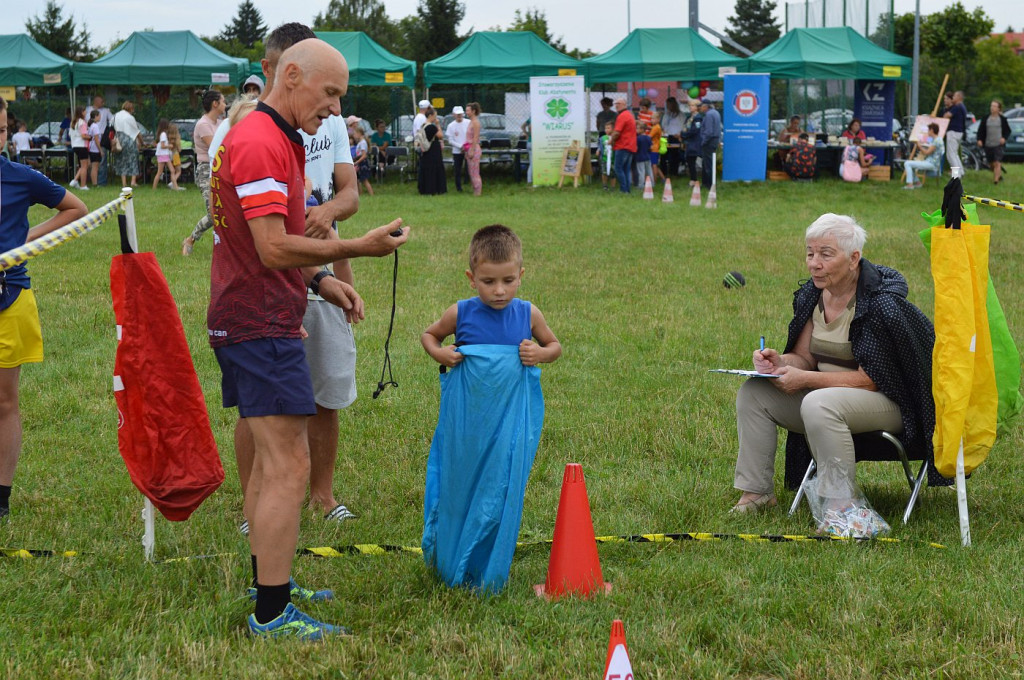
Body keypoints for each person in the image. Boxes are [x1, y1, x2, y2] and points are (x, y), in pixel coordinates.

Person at [209, 38, 409, 640]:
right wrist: (356, 249)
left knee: (275, 467)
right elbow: (272, 247)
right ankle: (271, 613)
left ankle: (269, 582)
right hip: (259, 320)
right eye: (330, 94)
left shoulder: (274, 135)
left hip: (254, 312)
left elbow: (261, 240)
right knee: (288, 465)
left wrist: (322, 281)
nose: (335, 109)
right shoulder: (264, 140)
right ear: (291, 76)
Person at [730, 214, 935, 535]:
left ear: (854, 258)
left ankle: (842, 509)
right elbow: (802, 358)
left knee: (819, 403)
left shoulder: (880, 304)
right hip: (828, 400)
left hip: (889, 404)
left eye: (826, 254)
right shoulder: (812, 296)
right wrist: (778, 363)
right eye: (810, 253)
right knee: (755, 392)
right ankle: (756, 493)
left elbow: (871, 379)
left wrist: (806, 381)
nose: (814, 263)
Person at [420, 224, 561, 591]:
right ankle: (450, 561)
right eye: (488, 281)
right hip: (468, 423)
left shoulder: (528, 314)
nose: (499, 291)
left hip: (507, 426)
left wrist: (539, 354)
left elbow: (555, 347)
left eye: (508, 280)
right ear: (471, 278)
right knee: (459, 484)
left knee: (499, 487)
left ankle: (488, 563)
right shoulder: (461, 313)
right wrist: (440, 352)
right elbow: (429, 334)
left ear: (521, 275)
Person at [0, 96, 89, 522]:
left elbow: (77, 208)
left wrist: (25, 240)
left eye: (1, 130)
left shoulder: (19, 177)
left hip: (10, 299)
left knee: (4, 401)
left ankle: (1, 498)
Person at [180, 90, 226, 255]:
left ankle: (225, 247)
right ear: (215, 104)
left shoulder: (221, 123)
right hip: (207, 170)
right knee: (214, 214)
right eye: (223, 101)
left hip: (222, 168)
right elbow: (218, 147)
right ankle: (191, 239)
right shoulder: (203, 124)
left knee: (226, 210)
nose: (225, 104)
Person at [976, 99, 1011, 185]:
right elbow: (980, 131)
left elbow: (1008, 131)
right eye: (991, 106)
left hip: (998, 144)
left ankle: (996, 181)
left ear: (999, 109)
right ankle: (998, 175)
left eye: (994, 106)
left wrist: (1004, 138)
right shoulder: (985, 118)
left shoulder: (1002, 119)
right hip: (988, 144)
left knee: (997, 162)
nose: (992, 108)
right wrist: (979, 139)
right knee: (991, 164)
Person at [903, 122, 944, 189]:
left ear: (932, 130)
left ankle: (910, 185)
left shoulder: (937, 141)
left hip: (931, 163)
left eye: (928, 130)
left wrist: (919, 145)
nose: (927, 132)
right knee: (911, 164)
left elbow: (926, 152)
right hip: (933, 162)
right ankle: (917, 183)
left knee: (907, 163)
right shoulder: (938, 139)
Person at [84, 95, 113, 186]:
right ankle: (96, 182)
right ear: (96, 101)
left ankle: (99, 181)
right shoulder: (88, 111)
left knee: (98, 163)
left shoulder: (106, 111)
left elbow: (112, 119)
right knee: (95, 164)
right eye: (101, 101)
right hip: (95, 141)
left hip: (100, 139)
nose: (103, 103)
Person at [610, 98, 637, 193]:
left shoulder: (622, 116)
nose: (616, 105)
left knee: (618, 168)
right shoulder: (629, 115)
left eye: (618, 103)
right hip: (631, 146)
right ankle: (627, 190)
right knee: (626, 169)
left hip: (623, 146)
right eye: (615, 104)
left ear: (624, 104)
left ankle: (624, 189)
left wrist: (611, 140)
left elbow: (617, 132)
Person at [112, 101, 142, 187]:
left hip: (119, 139)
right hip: (129, 140)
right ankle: (133, 181)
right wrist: (142, 142)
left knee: (122, 160)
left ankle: (124, 183)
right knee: (133, 159)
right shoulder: (130, 117)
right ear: (131, 108)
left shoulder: (116, 115)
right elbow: (136, 132)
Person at [418, 109, 447, 196]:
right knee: (435, 169)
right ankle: (436, 188)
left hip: (426, 150)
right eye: (435, 116)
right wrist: (438, 125)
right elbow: (441, 136)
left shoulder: (423, 126)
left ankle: (425, 188)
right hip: (433, 150)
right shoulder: (432, 127)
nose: (436, 118)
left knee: (427, 170)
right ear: (430, 115)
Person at [943, 90, 967, 176]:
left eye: (955, 96)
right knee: (955, 153)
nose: (953, 98)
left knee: (950, 155)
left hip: (953, 131)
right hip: (959, 132)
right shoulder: (962, 107)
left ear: (959, 97)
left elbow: (947, 116)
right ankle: (961, 171)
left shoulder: (957, 107)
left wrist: (946, 111)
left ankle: (956, 175)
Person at [445, 107, 469, 191]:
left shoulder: (468, 123)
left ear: (463, 114)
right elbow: (450, 140)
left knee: (469, 168)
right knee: (457, 170)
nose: (459, 115)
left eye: (460, 114)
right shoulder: (451, 126)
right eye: (457, 114)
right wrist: (460, 146)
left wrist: (466, 146)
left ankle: (469, 183)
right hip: (457, 151)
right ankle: (458, 187)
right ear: (453, 115)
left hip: (468, 149)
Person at [660, 97, 685, 177]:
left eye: (670, 104)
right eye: (667, 104)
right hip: (666, 136)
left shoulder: (681, 115)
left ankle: (673, 172)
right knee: (663, 154)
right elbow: (663, 125)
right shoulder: (666, 114)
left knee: (675, 155)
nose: (668, 106)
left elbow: (682, 125)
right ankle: (663, 172)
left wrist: (679, 134)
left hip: (675, 136)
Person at [699, 98, 721, 189]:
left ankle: (709, 184)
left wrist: (703, 142)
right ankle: (706, 182)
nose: (700, 108)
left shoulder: (708, 115)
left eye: (701, 106)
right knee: (708, 162)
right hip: (714, 141)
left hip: (709, 142)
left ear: (705, 107)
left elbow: (709, 131)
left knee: (707, 163)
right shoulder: (716, 113)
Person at [680, 99, 702, 187]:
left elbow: (695, 130)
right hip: (688, 141)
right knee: (689, 161)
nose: (690, 107)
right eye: (690, 106)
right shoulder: (689, 117)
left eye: (693, 106)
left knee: (691, 160)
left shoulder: (698, 118)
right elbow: (685, 126)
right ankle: (693, 178)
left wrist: (684, 134)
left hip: (694, 142)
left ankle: (694, 180)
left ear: (697, 108)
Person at [69, 107, 90, 191]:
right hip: (82, 145)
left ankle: (74, 180)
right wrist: (90, 137)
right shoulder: (82, 122)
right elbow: (83, 135)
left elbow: (71, 135)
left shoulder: (73, 122)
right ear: (82, 112)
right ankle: (83, 185)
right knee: (85, 166)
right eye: (85, 111)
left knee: (83, 165)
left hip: (75, 145)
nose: (86, 112)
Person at [465, 102, 482, 197]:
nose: (466, 112)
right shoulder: (471, 122)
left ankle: (478, 192)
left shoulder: (475, 122)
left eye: (468, 110)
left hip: (474, 148)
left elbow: (475, 137)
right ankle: (474, 190)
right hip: (469, 147)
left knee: (475, 172)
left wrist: (472, 149)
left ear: (473, 111)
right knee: (471, 171)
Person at [351, 126, 374, 196]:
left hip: (362, 163)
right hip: (360, 162)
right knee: (358, 180)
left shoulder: (363, 143)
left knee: (365, 180)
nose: (354, 136)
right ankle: (359, 194)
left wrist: (357, 162)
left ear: (359, 133)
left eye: (354, 134)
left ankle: (372, 194)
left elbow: (364, 155)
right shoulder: (360, 143)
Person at [151, 119, 173, 190]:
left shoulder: (161, 134)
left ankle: (174, 185)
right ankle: (154, 188)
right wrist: (169, 146)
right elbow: (163, 146)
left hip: (163, 155)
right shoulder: (163, 134)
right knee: (160, 172)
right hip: (163, 155)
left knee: (171, 170)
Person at [635, 123, 654, 190]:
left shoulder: (637, 139)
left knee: (641, 172)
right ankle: (652, 184)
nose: (636, 130)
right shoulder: (648, 138)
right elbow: (651, 147)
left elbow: (636, 148)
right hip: (647, 157)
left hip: (640, 157)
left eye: (637, 128)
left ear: (642, 129)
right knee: (649, 171)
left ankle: (641, 185)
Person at [87, 111, 103, 186]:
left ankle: (94, 182)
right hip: (95, 149)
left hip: (91, 148)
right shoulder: (95, 126)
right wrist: (100, 150)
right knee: (95, 167)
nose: (100, 117)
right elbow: (97, 140)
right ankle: (95, 183)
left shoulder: (91, 125)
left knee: (94, 166)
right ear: (96, 116)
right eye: (99, 116)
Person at [167, 123, 185, 190]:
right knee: (178, 171)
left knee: (173, 170)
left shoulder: (168, 138)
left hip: (169, 155)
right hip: (176, 155)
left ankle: (173, 183)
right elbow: (179, 149)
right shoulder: (177, 137)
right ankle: (173, 183)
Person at [598, 121, 616, 190]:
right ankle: (605, 185)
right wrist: (598, 150)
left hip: (613, 159)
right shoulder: (602, 138)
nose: (606, 130)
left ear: (613, 129)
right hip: (604, 158)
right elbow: (600, 146)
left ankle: (613, 187)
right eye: (605, 128)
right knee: (604, 172)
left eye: (608, 128)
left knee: (613, 174)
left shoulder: (614, 138)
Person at [649, 112, 665, 182]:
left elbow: (649, 137)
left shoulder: (656, 128)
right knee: (654, 164)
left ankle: (654, 180)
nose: (651, 120)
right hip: (655, 148)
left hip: (654, 148)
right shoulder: (657, 127)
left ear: (658, 119)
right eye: (651, 119)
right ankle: (663, 179)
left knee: (654, 165)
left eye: (653, 119)